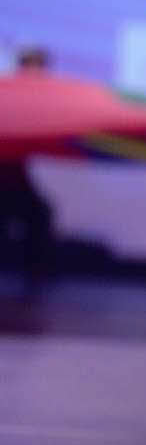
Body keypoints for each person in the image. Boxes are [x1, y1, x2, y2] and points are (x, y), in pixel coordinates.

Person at [0, 48, 54, 283]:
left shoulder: (44, 98)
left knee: (40, 213)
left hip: (15, 179)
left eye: (40, 67)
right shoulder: (8, 93)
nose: (37, 72)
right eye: (32, 66)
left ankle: (35, 275)